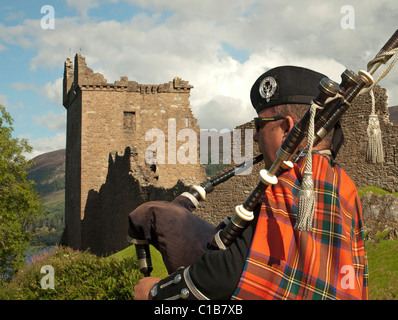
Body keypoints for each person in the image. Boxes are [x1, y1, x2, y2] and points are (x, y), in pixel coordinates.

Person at [132, 65, 369, 300]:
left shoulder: (291, 183)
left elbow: (219, 277)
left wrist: (153, 293)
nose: (255, 136)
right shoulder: (341, 184)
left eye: (259, 126)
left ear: (286, 128)